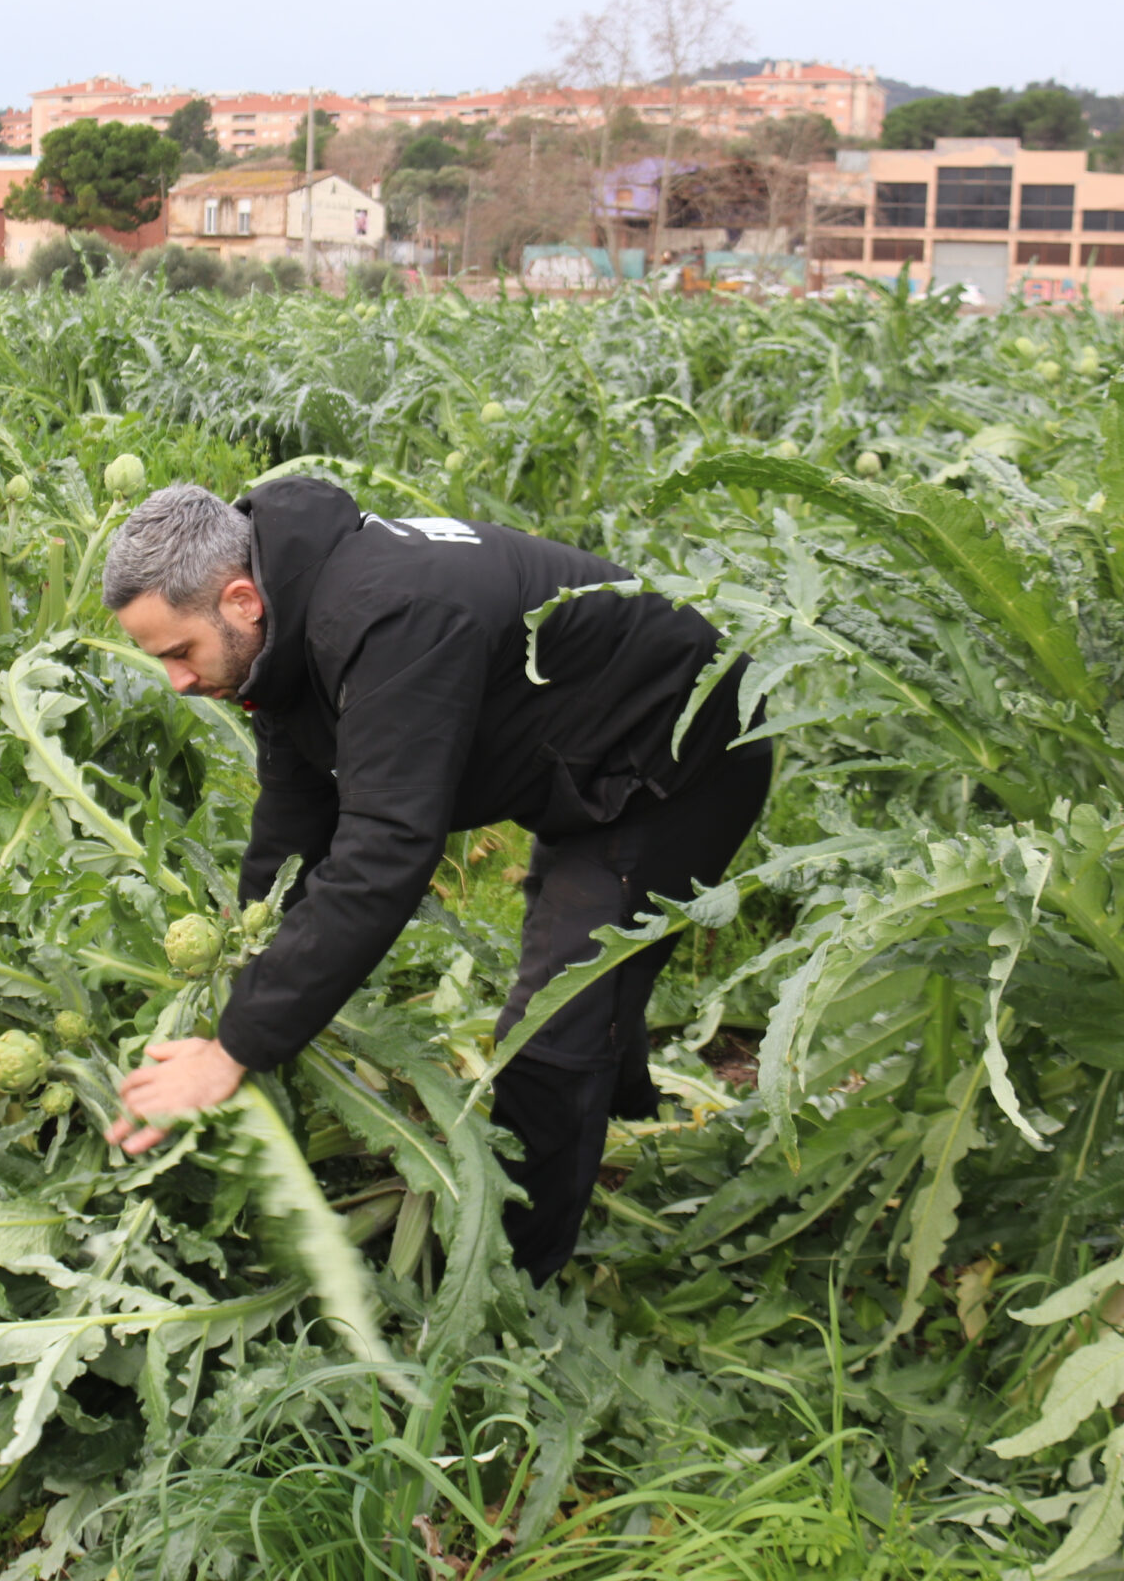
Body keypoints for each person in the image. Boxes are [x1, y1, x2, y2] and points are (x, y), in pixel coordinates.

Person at [100, 477, 770, 1283]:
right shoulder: (285, 617)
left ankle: (511, 1286)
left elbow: (384, 851)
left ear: (240, 600)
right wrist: (246, 966)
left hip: (682, 756)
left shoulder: (389, 618)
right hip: (588, 750)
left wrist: (237, 1046)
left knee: (551, 1032)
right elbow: (295, 824)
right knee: (583, 966)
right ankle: (628, 1114)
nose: (177, 680)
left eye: (179, 652)